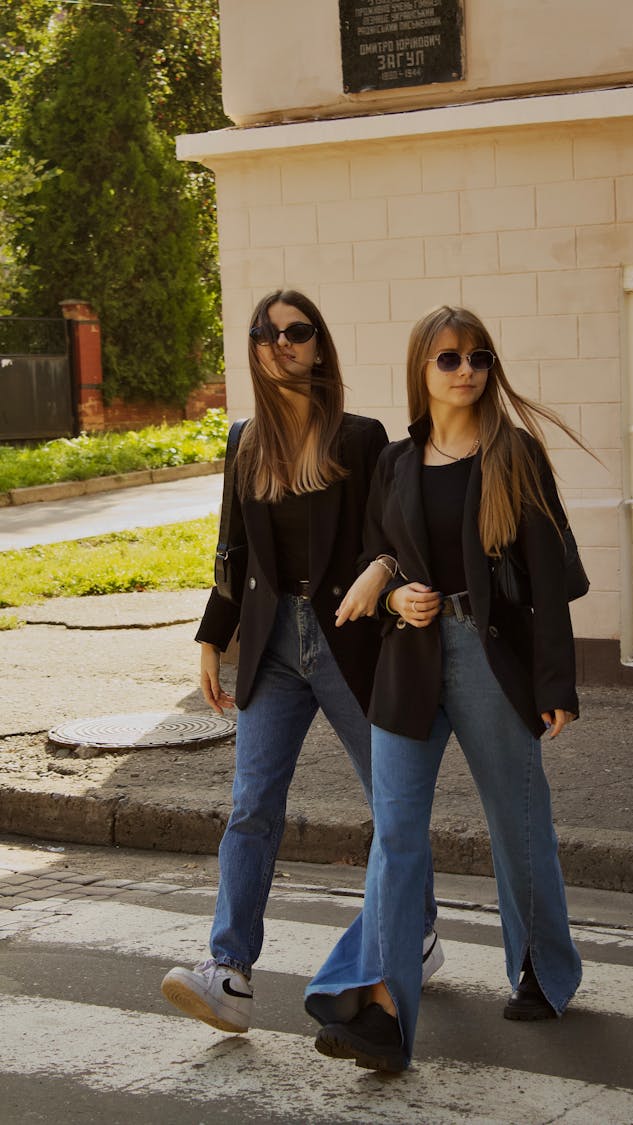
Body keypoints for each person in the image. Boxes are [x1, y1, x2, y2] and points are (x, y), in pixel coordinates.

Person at [304, 304, 586, 1072]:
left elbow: (552, 582)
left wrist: (556, 680)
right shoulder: (394, 462)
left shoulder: (513, 455)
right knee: (395, 837)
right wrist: (394, 593)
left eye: (479, 358)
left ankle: (541, 966)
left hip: (490, 658)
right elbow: (380, 546)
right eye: (450, 359)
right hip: (409, 660)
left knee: (517, 820)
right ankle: (385, 1011)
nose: (467, 370)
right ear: (421, 371)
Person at [160, 289, 441, 1035]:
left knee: (392, 803)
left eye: (297, 331)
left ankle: (415, 929)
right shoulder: (245, 440)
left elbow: (391, 538)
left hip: (349, 643)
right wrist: (210, 637)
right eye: (267, 332)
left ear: (319, 346)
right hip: (274, 650)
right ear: (254, 347)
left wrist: (384, 586)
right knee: (252, 806)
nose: (281, 343)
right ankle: (230, 971)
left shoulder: (359, 437)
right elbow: (233, 550)